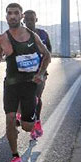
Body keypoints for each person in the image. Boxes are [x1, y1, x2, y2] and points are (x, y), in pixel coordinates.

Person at [0, 3, 51, 162]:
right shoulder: (2, 38)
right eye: (9, 13)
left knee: (27, 127)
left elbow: (47, 55)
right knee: (10, 118)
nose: (12, 16)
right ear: (6, 17)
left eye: (16, 13)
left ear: (21, 17)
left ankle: (31, 114)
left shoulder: (32, 36)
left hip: (29, 85)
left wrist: (40, 74)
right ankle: (15, 157)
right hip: (11, 85)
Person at [23, 10, 52, 140]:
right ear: (23, 20)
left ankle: (37, 121)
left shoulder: (43, 34)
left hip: (40, 72)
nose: (29, 21)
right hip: (23, 73)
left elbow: (49, 51)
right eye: (27, 19)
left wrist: (42, 67)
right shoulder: (19, 35)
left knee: (36, 97)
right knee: (25, 97)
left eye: (31, 19)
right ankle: (24, 115)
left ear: (36, 19)